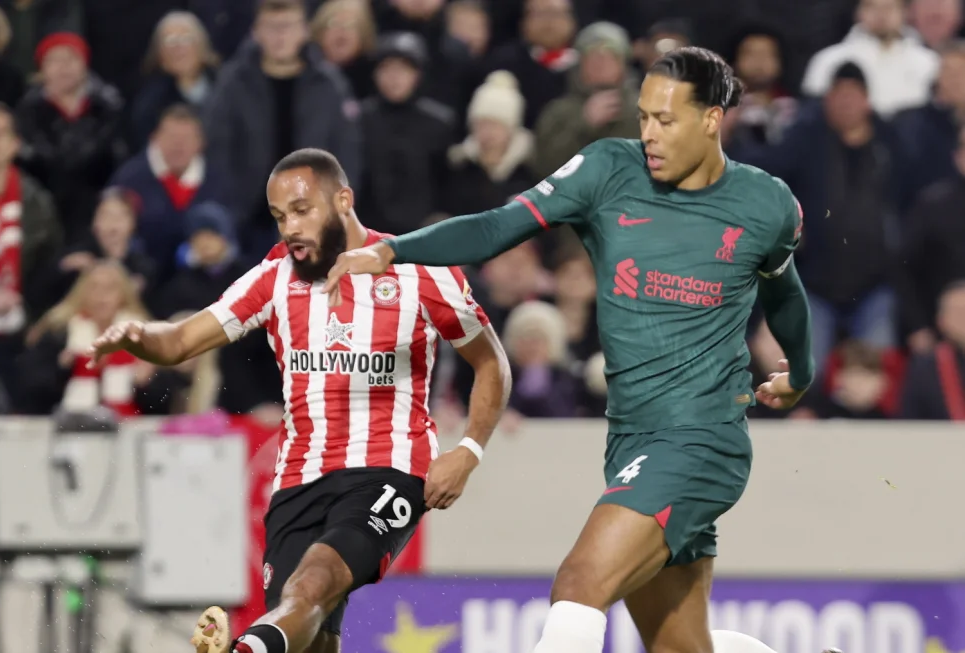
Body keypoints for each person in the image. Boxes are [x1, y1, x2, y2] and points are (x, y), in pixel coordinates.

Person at [325, 47, 814, 653]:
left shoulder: (766, 205)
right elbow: (498, 226)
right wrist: (394, 249)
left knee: (580, 582)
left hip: (702, 438)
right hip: (630, 439)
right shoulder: (609, 170)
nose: (649, 135)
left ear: (712, 119)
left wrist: (801, 372)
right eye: (642, 118)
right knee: (679, 647)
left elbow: (784, 292)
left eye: (666, 120)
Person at [88, 148, 511, 653]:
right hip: (298, 481)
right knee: (308, 630)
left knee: (310, 585)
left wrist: (469, 450)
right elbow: (180, 341)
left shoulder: (419, 269)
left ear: (343, 200)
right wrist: (139, 335)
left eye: (302, 210)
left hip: (389, 470)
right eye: (279, 216)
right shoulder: (274, 278)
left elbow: (492, 364)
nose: (290, 227)